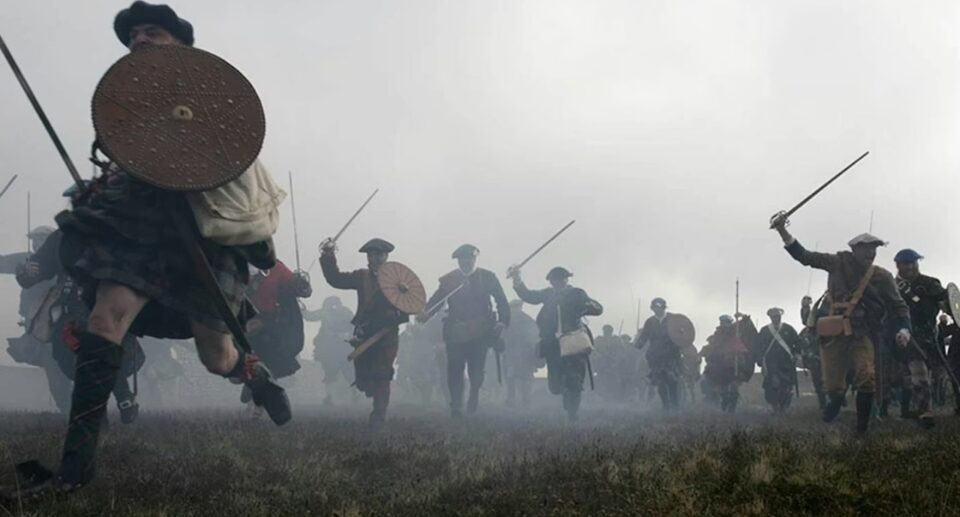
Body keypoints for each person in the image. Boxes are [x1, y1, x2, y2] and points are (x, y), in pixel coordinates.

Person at [21, 1, 290, 493]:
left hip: (203, 223)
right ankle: (73, 471)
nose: (139, 41)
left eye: (152, 33)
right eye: (133, 36)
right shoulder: (128, 101)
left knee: (217, 356)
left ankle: (254, 375)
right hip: (139, 220)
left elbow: (231, 155)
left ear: (181, 46)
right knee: (106, 319)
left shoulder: (210, 99)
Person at [773, 218, 911, 435]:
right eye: (866, 249)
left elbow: (899, 306)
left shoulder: (881, 276)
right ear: (854, 249)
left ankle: (861, 430)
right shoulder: (836, 262)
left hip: (862, 332)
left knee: (867, 377)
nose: (871, 253)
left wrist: (904, 329)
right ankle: (835, 402)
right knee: (833, 386)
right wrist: (783, 231)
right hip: (834, 333)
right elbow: (805, 256)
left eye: (874, 249)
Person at [320, 238, 410, 430]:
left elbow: (408, 308)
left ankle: (379, 415)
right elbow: (335, 279)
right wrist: (328, 256)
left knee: (382, 374)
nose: (375, 258)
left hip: (387, 336)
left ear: (386, 257)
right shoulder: (361, 277)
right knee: (364, 380)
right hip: (363, 334)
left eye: (379, 255)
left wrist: (396, 316)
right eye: (371, 255)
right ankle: (370, 390)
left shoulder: (399, 281)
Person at [420, 244, 510, 417]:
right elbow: (437, 300)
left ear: (475, 259)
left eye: (470, 258)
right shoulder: (449, 280)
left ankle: (474, 395)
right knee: (454, 368)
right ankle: (456, 404)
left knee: (476, 370)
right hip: (456, 331)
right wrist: (426, 313)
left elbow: (501, 300)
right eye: (462, 259)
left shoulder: (488, 277)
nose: (466, 262)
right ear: (458, 261)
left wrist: (502, 322)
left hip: (481, 332)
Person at [511, 266, 602, 421]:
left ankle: (572, 413)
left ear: (567, 280)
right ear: (551, 282)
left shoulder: (577, 293)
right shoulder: (548, 294)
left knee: (574, 380)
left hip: (574, 342)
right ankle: (567, 396)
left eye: (561, 279)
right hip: (553, 344)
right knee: (555, 385)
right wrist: (516, 278)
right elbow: (529, 296)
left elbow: (597, 309)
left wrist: (585, 307)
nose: (558, 283)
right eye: (555, 280)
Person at [243, 260, 312, 414]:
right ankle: (254, 393)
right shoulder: (231, 265)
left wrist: (302, 284)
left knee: (265, 364)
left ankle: (257, 405)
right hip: (241, 324)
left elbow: (300, 289)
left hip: (269, 327)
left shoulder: (275, 267)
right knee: (247, 364)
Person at [892, 249, 947, 428]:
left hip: (930, 337)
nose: (909, 266)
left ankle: (915, 409)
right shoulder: (892, 286)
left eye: (913, 262)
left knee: (934, 375)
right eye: (905, 263)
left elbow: (946, 299)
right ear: (898, 265)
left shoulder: (930, 283)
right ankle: (925, 413)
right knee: (917, 374)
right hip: (905, 336)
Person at [304, 296, 356, 406]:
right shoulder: (325, 312)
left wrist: (345, 335)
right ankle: (330, 397)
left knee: (349, 373)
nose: (333, 308)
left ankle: (354, 395)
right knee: (330, 373)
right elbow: (309, 316)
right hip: (329, 350)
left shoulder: (346, 313)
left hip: (343, 349)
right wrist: (301, 309)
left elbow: (353, 327)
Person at [634, 298, 683, 411]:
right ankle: (665, 405)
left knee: (672, 380)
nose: (657, 309)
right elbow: (644, 336)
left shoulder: (672, 319)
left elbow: (681, 335)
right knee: (660, 382)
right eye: (655, 307)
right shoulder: (650, 322)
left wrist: (681, 338)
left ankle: (675, 406)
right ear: (652, 308)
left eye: (660, 307)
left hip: (671, 355)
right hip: (655, 356)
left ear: (664, 307)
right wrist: (638, 345)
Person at [701, 315, 753, 412]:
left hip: (734, 367)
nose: (725, 325)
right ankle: (724, 407)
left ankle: (731, 410)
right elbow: (711, 348)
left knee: (733, 388)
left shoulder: (736, 334)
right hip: (721, 367)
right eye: (723, 323)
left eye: (727, 323)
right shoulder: (717, 336)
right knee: (723, 390)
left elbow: (744, 325)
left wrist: (744, 318)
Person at [755, 308, 802, 413]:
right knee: (771, 386)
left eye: (778, 316)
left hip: (786, 362)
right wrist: (760, 359)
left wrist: (796, 354)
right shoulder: (765, 331)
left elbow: (798, 342)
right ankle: (774, 406)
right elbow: (758, 346)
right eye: (774, 316)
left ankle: (784, 407)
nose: (776, 318)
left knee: (787, 386)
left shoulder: (788, 329)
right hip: (771, 362)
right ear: (770, 317)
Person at [502, 300, 541, 408]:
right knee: (525, 378)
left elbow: (502, 336)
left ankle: (512, 400)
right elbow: (535, 336)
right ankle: (525, 401)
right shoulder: (527, 319)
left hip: (513, 354)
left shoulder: (507, 320)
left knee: (511, 378)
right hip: (524, 354)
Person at [799, 295, 827, 410]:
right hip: (815, 359)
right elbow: (801, 345)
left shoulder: (824, 323)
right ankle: (823, 403)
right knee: (818, 382)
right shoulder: (805, 333)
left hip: (828, 357)